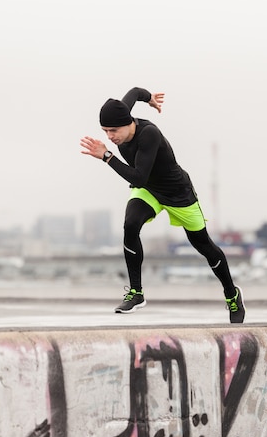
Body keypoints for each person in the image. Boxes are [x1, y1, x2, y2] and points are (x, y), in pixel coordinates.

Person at [80, 87, 245, 323]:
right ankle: (136, 293)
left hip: (178, 193)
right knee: (130, 224)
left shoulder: (149, 134)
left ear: (128, 124)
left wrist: (107, 156)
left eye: (113, 130)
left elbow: (138, 177)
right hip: (149, 190)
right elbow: (135, 91)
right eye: (105, 131)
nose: (110, 136)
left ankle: (232, 293)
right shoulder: (122, 113)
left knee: (204, 246)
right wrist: (150, 99)